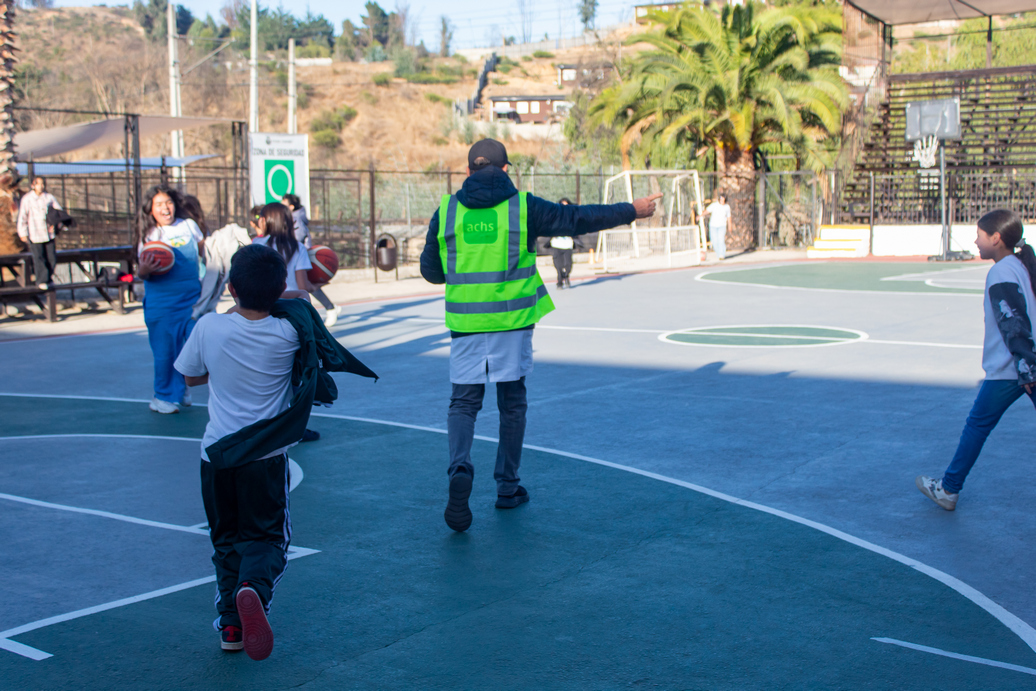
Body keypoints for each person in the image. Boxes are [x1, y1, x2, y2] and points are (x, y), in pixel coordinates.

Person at [420, 138, 661, 532]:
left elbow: (431, 271)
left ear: (467, 171)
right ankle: (507, 487)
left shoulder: (446, 211)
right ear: (506, 170)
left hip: (465, 324)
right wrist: (630, 211)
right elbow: (576, 219)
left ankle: (460, 467)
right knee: (512, 403)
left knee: (463, 404)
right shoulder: (523, 207)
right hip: (513, 322)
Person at [173, 243, 375, 661]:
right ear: (280, 288)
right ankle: (254, 588)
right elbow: (299, 308)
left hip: (216, 456)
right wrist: (290, 294)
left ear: (231, 288)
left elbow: (190, 378)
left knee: (225, 542)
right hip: (264, 460)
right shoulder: (289, 333)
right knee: (267, 539)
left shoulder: (209, 327)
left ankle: (231, 626)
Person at [917, 209, 1036, 511]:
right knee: (978, 425)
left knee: (977, 426)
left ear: (996, 238)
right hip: (1022, 365)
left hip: (1013, 368)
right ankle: (949, 488)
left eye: (979, 235)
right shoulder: (1020, 265)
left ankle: (949, 490)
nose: (975, 241)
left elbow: (1013, 322)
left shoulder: (1001, 272)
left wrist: (1027, 368)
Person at [252, 202, 322, 443]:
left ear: (265, 221)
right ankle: (296, 427)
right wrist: (316, 285)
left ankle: (265, 424)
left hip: (263, 312)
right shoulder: (297, 247)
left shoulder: (256, 245)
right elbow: (302, 287)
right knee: (293, 374)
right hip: (291, 315)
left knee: (265, 372)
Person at [136, 185, 203, 414]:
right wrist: (144, 270)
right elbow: (142, 272)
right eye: (159, 204)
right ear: (151, 210)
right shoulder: (150, 235)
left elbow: (204, 253)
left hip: (192, 301)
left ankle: (181, 384)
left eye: (168, 202)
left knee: (196, 344)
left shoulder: (189, 226)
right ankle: (162, 397)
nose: (165, 208)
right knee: (165, 353)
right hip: (162, 303)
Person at [282, 193, 339, 327]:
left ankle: (330, 308)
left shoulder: (296, 219)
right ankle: (329, 308)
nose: (281, 206)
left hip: (302, 257)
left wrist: (289, 246)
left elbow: (299, 238)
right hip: (298, 256)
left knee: (305, 286)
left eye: (284, 204)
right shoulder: (293, 218)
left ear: (291, 206)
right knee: (304, 286)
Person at [16, 176, 62, 290]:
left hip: (49, 233)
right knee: (39, 257)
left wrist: (56, 224)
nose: (41, 186)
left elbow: (59, 212)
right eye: (38, 184)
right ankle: (42, 280)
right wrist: (23, 232)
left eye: (42, 184)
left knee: (51, 258)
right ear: (33, 185)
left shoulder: (49, 198)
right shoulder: (27, 199)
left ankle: (49, 278)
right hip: (35, 233)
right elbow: (22, 216)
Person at [550, 197, 575, 289]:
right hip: (557, 244)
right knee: (558, 265)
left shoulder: (572, 217)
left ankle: (566, 275)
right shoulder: (554, 216)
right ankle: (559, 282)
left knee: (568, 265)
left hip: (567, 244)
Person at [703, 192, 731, 261]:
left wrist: (730, 226)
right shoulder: (714, 205)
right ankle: (718, 254)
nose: (722, 201)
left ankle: (722, 254)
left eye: (723, 200)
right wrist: (700, 215)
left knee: (721, 240)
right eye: (721, 199)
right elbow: (707, 210)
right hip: (713, 226)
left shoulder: (727, 207)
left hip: (722, 226)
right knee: (714, 241)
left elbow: (729, 217)